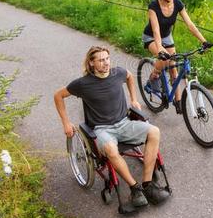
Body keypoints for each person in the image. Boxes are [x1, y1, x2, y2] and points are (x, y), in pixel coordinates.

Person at [54, 46, 170, 207]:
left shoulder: (119, 73)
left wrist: (134, 99)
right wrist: (66, 122)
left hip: (124, 123)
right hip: (102, 129)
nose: (106, 63)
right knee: (110, 149)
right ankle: (134, 188)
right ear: (91, 63)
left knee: (154, 132)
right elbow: (58, 96)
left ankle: (147, 184)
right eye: (101, 60)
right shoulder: (82, 84)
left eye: (107, 58)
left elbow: (130, 77)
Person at [142, 0, 212, 113]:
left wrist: (204, 41)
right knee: (164, 60)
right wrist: (161, 49)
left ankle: (178, 101)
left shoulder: (178, 4)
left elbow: (190, 24)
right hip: (151, 37)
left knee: (173, 66)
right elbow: (155, 30)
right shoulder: (153, 6)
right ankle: (154, 77)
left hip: (167, 37)